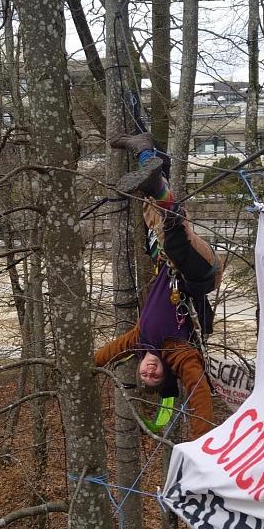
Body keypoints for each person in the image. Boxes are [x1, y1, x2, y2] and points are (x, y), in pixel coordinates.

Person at [94, 133, 223, 440]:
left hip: (167, 261)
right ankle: (156, 182)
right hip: (201, 274)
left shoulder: (140, 340)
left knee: (152, 216)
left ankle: (146, 151)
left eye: (145, 374)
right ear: (165, 373)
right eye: (155, 376)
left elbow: (108, 353)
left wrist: (78, 369)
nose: (149, 372)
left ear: (139, 366)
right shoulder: (178, 353)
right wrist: (201, 441)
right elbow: (198, 392)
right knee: (174, 238)